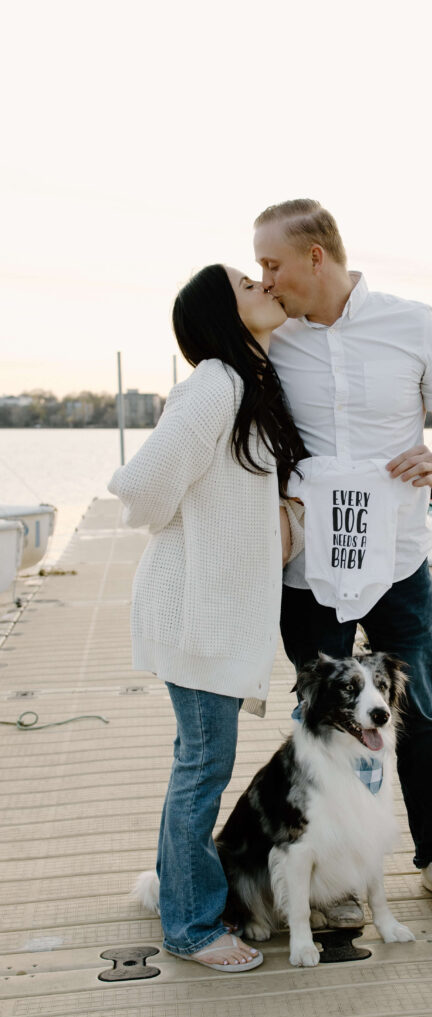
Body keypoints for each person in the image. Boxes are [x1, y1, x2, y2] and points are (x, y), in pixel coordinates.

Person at [253, 199, 432, 923]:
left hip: (396, 561)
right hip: (307, 571)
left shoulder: (411, 323)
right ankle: (335, 875)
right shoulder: (270, 335)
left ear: (315, 257)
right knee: (321, 721)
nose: (264, 282)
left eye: (272, 265)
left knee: (412, 714)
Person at [108, 264, 307, 970]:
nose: (265, 286)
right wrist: (181, 527)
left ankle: (180, 897)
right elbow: (140, 487)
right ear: (225, 313)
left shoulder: (244, 383)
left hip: (216, 615)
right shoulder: (215, 385)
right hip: (195, 614)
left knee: (198, 765)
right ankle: (190, 927)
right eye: (249, 284)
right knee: (202, 769)